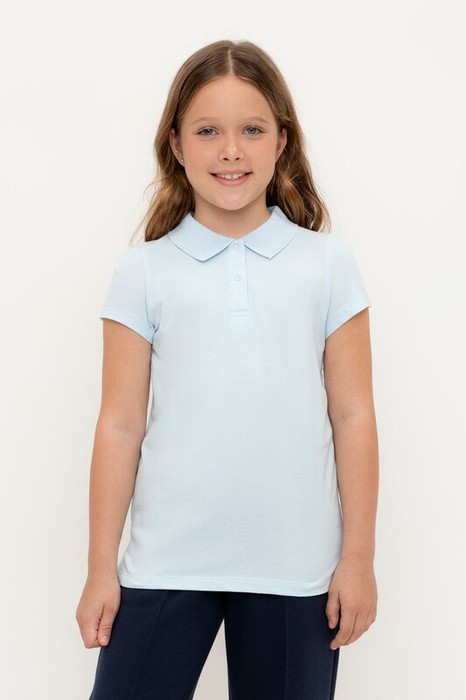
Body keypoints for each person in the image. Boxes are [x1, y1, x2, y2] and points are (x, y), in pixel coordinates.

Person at [76, 39, 379, 700]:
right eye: (208, 131)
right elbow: (120, 423)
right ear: (176, 145)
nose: (231, 151)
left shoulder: (328, 265)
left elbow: (353, 414)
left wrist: (357, 559)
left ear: (282, 141)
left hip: (296, 570)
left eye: (252, 130)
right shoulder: (143, 271)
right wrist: (101, 569)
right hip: (164, 563)